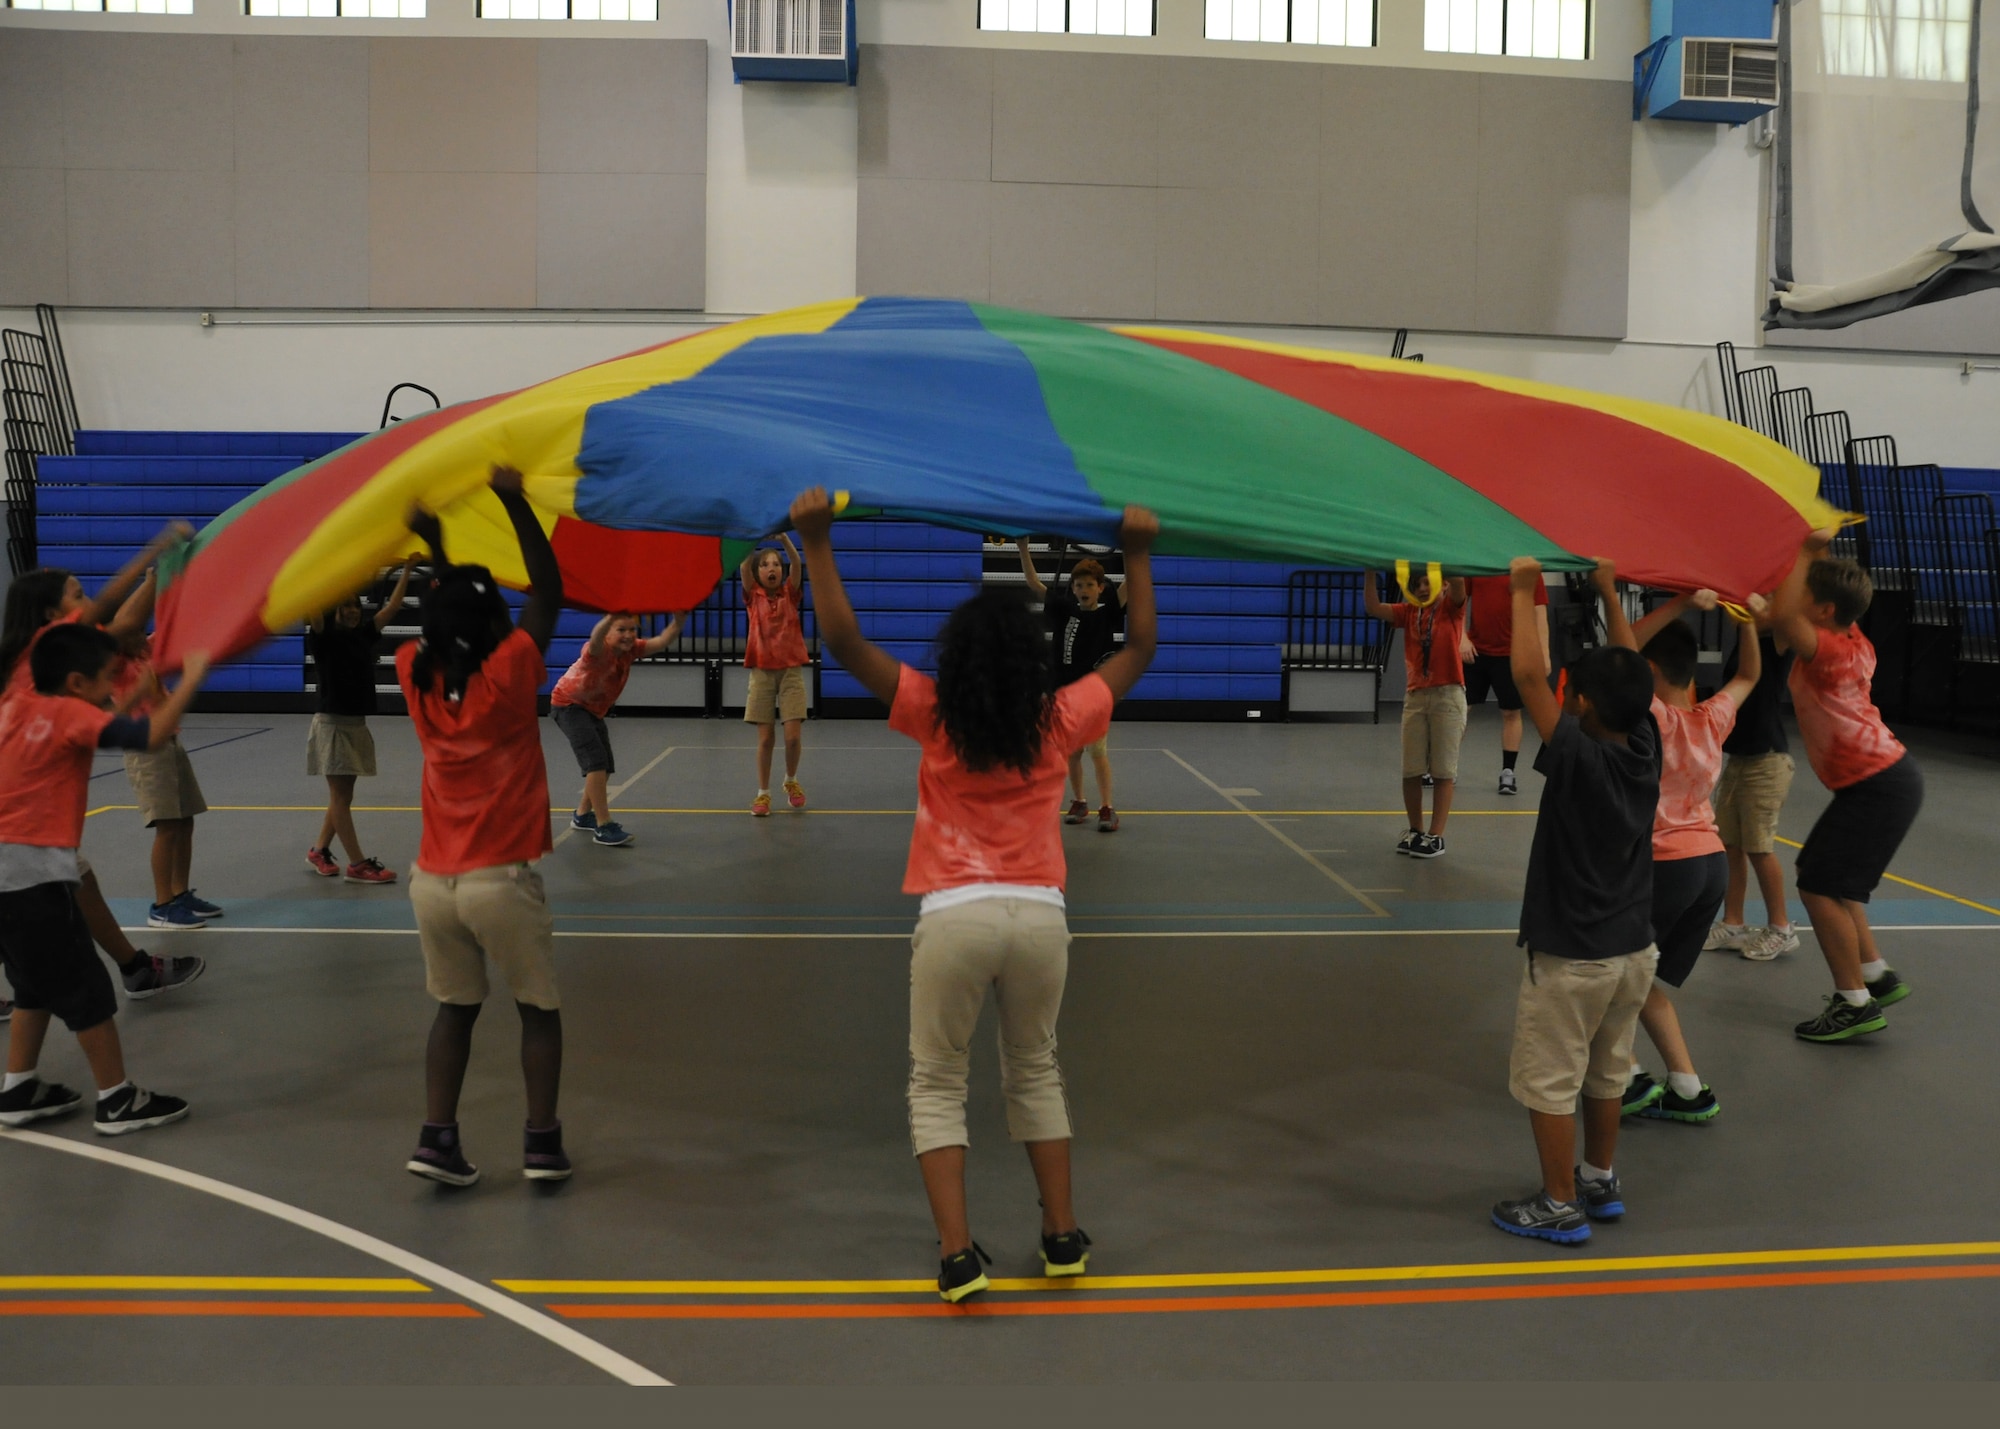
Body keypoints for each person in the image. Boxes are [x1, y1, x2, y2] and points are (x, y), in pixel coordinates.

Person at [796, 488, 1159, 1304]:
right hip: (1039, 917)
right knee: (1035, 1069)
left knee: (937, 1081)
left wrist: (817, 540)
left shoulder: (932, 711)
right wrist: (1137, 549)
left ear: (955, 656)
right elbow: (1139, 646)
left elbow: (843, 638)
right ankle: (1062, 1238)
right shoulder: (1061, 717)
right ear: (1033, 659)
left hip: (954, 915)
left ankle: (960, 1257)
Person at [396, 467, 570, 1187]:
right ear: (495, 625)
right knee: (539, 1012)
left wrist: (435, 543)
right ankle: (541, 1143)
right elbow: (549, 591)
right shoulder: (509, 676)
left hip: (432, 881)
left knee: (454, 1010)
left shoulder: (414, 670)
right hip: (500, 878)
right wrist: (513, 500)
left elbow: (449, 623)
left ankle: (436, 1138)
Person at [1491, 557, 1659, 1245]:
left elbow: (1529, 677)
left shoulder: (1579, 758)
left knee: (1550, 1079)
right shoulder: (1644, 748)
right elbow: (1627, 665)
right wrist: (1609, 596)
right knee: (1609, 1068)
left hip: (1572, 957)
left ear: (1581, 705)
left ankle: (1559, 1203)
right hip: (1632, 953)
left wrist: (1526, 592)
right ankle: (1598, 1175)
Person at [0, 623, 209, 1133]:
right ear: (76, 682)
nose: (112, 686)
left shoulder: (21, 705)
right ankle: (117, 1100)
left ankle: (18, 1086)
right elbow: (148, 733)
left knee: (32, 984)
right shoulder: (68, 712)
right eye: (106, 679)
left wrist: (144, 683)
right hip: (35, 878)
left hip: (4, 878)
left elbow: (99, 718)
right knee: (85, 985)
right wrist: (193, 676)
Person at [0, 548, 205, 1003]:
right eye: (77, 594)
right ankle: (128, 974)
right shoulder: (46, 651)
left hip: (26, 816)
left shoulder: (45, 663)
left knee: (70, 887)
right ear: (51, 613)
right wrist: (158, 567)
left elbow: (107, 716)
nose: (87, 599)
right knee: (44, 934)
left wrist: (135, 694)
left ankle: (131, 967)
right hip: (20, 820)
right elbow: (122, 623)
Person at [1616, 592, 1764, 1124]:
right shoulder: (1710, 719)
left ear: (1648, 671)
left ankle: (1627, 1078)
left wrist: (1679, 604)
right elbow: (1748, 673)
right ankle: (1687, 1087)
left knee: (1609, 972)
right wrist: (1743, 621)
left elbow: (1620, 647)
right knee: (1645, 981)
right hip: (1710, 868)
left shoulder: (1651, 715)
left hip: (1664, 865)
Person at [1770, 538, 1923, 1043]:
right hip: (1883, 782)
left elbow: (1789, 616)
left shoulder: (1831, 649)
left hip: (1877, 784)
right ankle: (1875, 974)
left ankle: (1853, 1002)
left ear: (1824, 610)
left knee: (1816, 885)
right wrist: (1817, 555)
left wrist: (1803, 551)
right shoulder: (1851, 633)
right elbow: (1788, 614)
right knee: (1834, 883)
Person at [304, 559, 416, 883]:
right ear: (334, 611)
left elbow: (392, 607)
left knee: (343, 796)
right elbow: (314, 609)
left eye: (355, 606)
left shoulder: (364, 636)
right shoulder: (323, 638)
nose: (352, 611)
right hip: (333, 725)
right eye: (345, 607)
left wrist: (406, 569)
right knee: (340, 796)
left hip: (355, 725)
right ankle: (357, 864)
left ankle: (319, 850)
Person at [1017, 540, 1128, 831]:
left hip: (1095, 697)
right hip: (1065, 697)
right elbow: (1032, 582)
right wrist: (1023, 547)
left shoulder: (1109, 613)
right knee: (1072, 753)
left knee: (1097, 752)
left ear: (1100, 588)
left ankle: (1107, 807)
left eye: (1090, 585)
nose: (1084, 590)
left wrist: (1132, 549)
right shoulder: (1064, 610)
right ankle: (1079, 801)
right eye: (1078, 585)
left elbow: (1132, 583)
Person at [1703, 626, 1799, 960]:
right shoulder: (1745, 639)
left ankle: (1781, 928)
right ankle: (1734, 924)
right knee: (1730, 843)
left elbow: (1787, 611)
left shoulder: (1779, 642)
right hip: (1739, 759)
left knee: (1759, 847)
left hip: (1768, 761)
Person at [552, 609, 684, 848]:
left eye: (631, 629)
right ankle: (604, 826)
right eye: (620, 630)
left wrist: (678, 622)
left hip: (592, 710)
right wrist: (609, 619)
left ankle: (582, 815)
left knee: (605, 766)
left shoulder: (631, 650)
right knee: (596, 763)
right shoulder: (597, 651)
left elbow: (662, 641)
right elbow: (595, 636)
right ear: (608, 631)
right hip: (569, 705)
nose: (627, 635)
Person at [1364, 566, 1469, 857]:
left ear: (1442, 584)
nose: (1422, 588)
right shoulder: (1409, 611)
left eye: (1428, 582)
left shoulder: (1451, 609)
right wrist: (1370, 571)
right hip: (1415, 696)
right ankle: (1416, 830)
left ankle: (1436, 836)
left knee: (1443, 770)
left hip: (1447, 694)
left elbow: (1460, 581)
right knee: (1411, 769)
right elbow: (1373, 607)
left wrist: (1440, 557)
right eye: (1417, 584)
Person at [1461, 572, 1549, 796]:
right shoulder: (1478, 564)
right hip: (1475, 652)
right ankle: (1444, 768)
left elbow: (1539, 612)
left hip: (1512, 654)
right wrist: (1461, 637)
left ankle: (1507, 772)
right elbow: (1459, 601)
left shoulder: (1528, 570)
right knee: (1458, 711)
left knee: (1511, 713)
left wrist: (1544, 654)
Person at [741, 536, 810, 817]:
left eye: (776, 564)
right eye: (766, 565)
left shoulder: (789, 594)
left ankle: (791, 780)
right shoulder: (752, 595)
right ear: (758, 573)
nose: (772, 568)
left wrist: (784, 540)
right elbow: (744, 566)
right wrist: (753, 537)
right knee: (766, 738)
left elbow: (796, 562)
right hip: (761, 673)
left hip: (791, 671)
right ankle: (763, 794)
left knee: (792, 737)